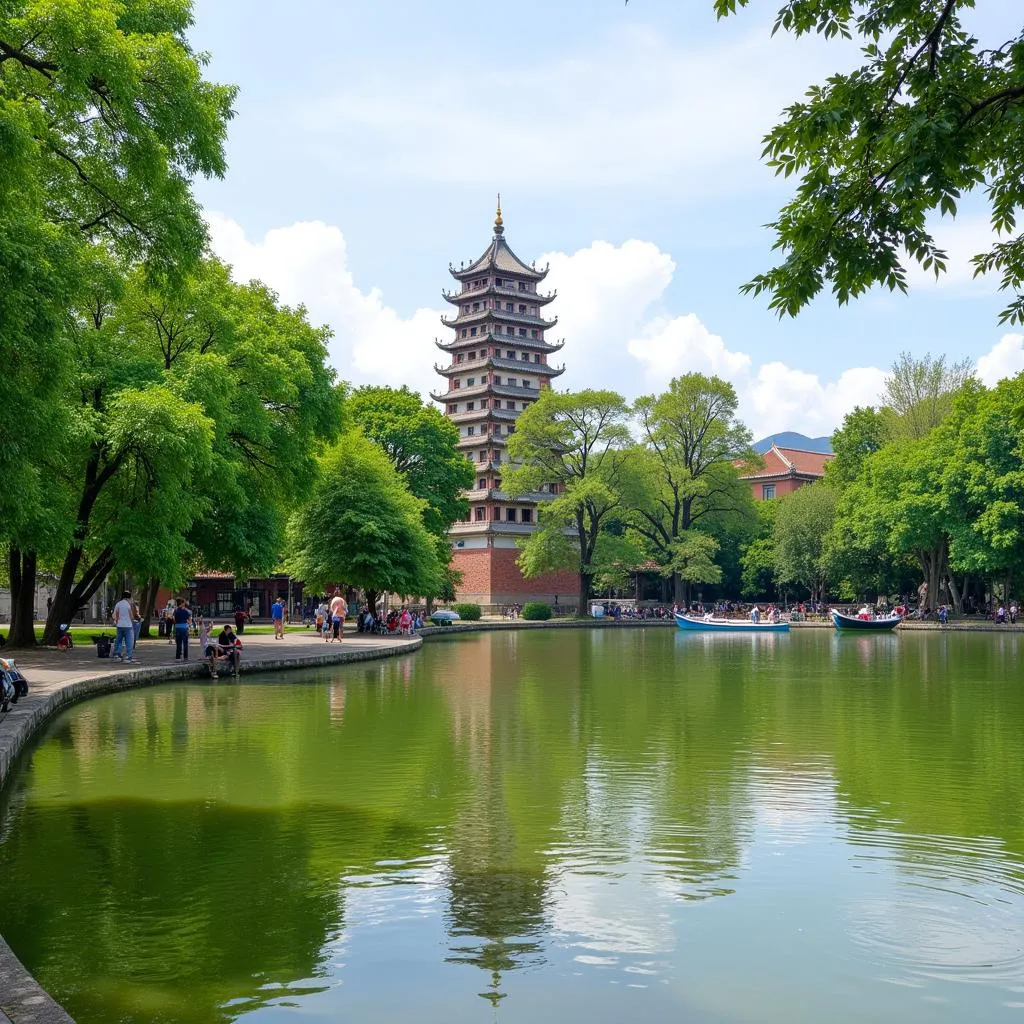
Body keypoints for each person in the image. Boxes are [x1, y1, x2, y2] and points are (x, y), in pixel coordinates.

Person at [111, 590, 137, 663]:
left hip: (119, 625)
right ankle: (128, 656)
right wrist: (134, 620)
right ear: (129, 597)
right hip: (128, 625)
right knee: (129, 641)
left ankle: (116, 655)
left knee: (118, 640)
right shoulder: (128, 605)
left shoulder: (118, 604)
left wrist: (116, 621)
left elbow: (114, 615)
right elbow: (131, 616)